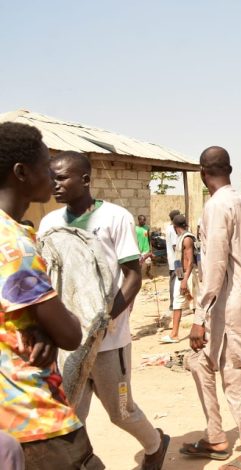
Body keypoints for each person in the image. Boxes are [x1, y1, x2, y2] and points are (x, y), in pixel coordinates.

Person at [39, 151, 169, 469]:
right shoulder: (49, 223)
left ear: (85, 180)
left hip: (109, 341)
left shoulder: (115, 217)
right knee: (70, 413)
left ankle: (155, 445)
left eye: (62, 177)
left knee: (121, 412)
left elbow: (133, 278)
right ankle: (83, 464)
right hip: (69, 342)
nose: (54, 184)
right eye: (51, 177)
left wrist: (105, 319)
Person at [0, 122, 104, 469]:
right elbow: (71, 334)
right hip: (31, 411)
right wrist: (54, 328)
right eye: (47, 167)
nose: (52, 176)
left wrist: (40, 326)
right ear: (21, 172)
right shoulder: (15, 247)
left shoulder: (17, 232)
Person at [183, 146, 241, 469]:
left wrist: (199, 317)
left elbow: (216, 266)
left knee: (233, 375)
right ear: (229, 169)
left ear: (202, 173)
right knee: (198, 361)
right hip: (235, 299)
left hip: (229, 304)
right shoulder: (240, 201)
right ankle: (216, 435)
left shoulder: (218, 205)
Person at [161, 214, 198, 343]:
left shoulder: (187, 239)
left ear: (175, 227)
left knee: (190, 304)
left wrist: (184, 280)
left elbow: (190, 261)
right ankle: (175, 334)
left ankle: (176, 334)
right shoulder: (181, 237)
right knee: (187, 303)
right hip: (181, 275)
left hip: (186, 275)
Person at [165, 209, 181, 311]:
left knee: (173, 281)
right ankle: (174, 305)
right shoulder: (173, 229)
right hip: (176, 260)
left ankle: (174, 304)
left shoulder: (168, 228)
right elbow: (176, 246)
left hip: (172, 260)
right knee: (176, 281)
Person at [136, 214, 153, 279]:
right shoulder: (135, 229)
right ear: (139, 220)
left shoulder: (146, 228)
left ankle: (147, 272)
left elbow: (149, 238)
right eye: (142, 220)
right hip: (139, 250)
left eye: (145, 220)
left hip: (146, 249)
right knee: (139, 264)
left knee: (148, 263)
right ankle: (138, 276)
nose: (144, 222)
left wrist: (150, 248)